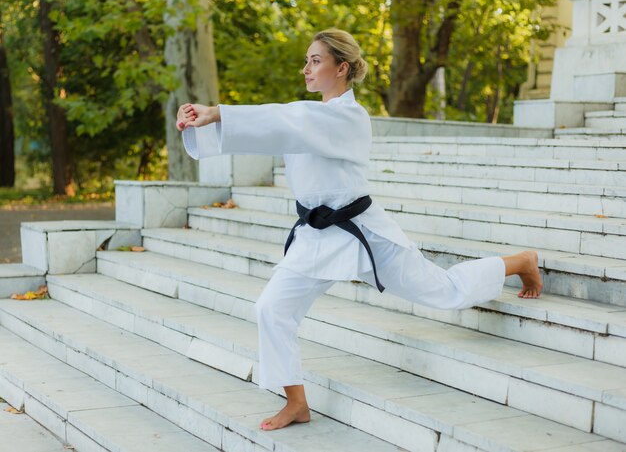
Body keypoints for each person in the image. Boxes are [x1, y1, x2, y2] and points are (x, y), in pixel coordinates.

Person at [176, 28, 543, 432]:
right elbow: (276, 127)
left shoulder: (348, 116)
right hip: (315, 235)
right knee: (271, 309)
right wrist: (204, 122)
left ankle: (519, 262)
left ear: (342, 67)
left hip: (362, 233)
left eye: (315, 60)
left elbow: (290, 117)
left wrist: (218, 111)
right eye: (306, 60)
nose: (306, 69)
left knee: (445, 291)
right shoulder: (306, 119)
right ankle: (296, 402)